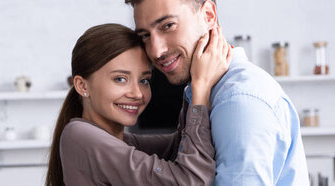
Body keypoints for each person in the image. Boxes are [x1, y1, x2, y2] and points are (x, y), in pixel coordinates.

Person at [125, 0, 310, 185]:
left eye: (168, 26)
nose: (156, 51)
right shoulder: (205, 91)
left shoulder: (238, 101)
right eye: (145, 36)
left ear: (208, 15)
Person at [46, 23, 231, 186]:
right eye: (120, 79)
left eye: (144, 80)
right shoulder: (80, 136)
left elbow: (180, 144)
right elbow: (190, 180)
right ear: (82, 85)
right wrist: (201, 86)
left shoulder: (121, 142)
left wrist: (192, 76)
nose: (137, 94)